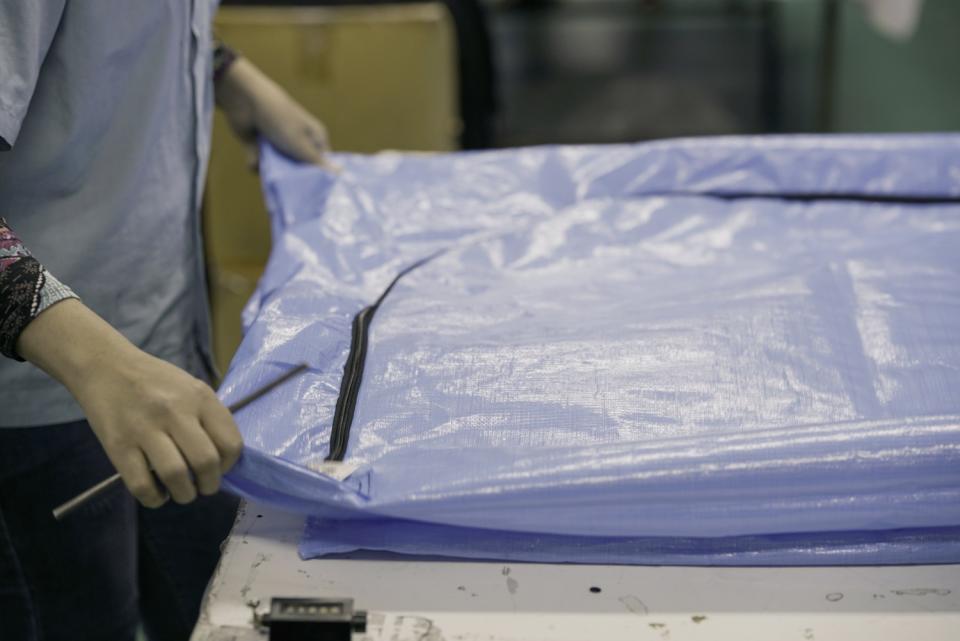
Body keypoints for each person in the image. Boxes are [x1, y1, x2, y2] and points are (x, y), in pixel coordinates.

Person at [0, 2, 329, 640]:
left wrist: (224, 72)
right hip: (49, 394)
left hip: (152, 359)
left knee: (215, 599)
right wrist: (101, 365)